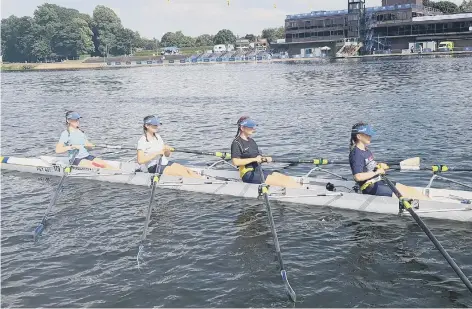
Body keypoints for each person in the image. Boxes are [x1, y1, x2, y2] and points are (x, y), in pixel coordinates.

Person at [349, 122, 427, 200]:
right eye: (367, 135)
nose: (370, 136)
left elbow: (368, 167)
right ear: (359, 136)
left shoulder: (366, 150)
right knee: (407, 195)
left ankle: (429, 201)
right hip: (370, 187)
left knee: (411, 190)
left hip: (379, 182)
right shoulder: (356, 154)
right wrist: (377, 172)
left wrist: (378, 165)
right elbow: (358, 177)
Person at [230, 116, 300, 188]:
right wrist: (255, 159)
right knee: (284, 182)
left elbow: (257, 157)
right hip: (248, 174)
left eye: (253, 126)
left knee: (286, 178)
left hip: (258, 170)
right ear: (242, 128)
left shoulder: (252, 141)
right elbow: (236, 162)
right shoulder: (236, 143)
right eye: (250, 126)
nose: (253, 128)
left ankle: (299, 189)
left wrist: (264, 158)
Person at [136, 115, 202, 178]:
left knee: (188, 170)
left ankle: (202, 179)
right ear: (147, 126)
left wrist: (167, 150)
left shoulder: (158, 136)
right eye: (155, 125)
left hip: (165, 162)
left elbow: (167, 155)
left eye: (158, 125)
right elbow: (140, 160)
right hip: (154, 167)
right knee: (183, 173)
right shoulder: (142, 141)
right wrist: (157, 153)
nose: (157, 127)